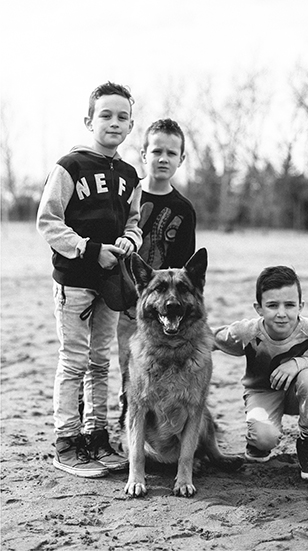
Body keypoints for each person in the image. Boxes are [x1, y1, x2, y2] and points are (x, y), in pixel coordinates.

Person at [36, 81, 142, 478]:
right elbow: (48, 222)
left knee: (101, 362)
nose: (114, 122)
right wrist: (88, 248)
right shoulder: (70, 166)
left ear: (131, 126)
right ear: (89, 120)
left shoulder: (131, 175)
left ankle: (96, 436)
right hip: (76, 280)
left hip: (110, 282)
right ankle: (67, 441)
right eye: (106, 115)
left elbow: (134, 223)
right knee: (74, 360)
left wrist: (129, 242)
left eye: (122, 117)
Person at [213, 266, 308, 482]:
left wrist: (298, 363)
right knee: (264, 440)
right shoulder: (247, 331)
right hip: (262, 392)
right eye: (272, 305)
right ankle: (258, 443)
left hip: (298, 394)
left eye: (290, 305)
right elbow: (209, 339)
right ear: (258, 308)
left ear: (301, 306)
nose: (281, 313)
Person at [116, 118, 196, 424]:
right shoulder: (127, 198)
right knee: (127, 366)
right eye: (157, 150)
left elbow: (184, 268)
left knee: (160, 368)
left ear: (181, 159)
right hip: (125, 302)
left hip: (165, 309)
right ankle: (127, 426)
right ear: (143, 153)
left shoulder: (183, 209)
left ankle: (161, 429)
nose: (163, 158)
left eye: (171, 153)